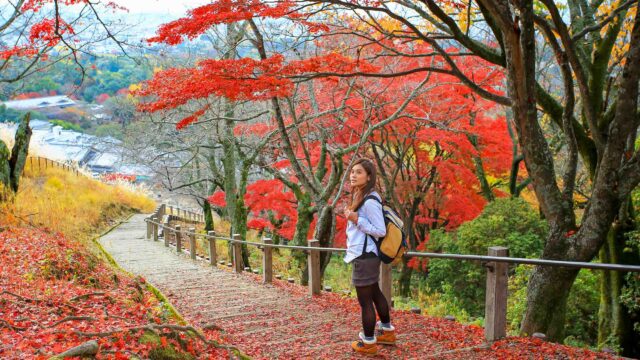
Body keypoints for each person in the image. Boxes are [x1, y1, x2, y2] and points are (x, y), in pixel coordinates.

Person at [343, 158, 396, 355]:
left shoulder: (370, 200)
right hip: (366, 255)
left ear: (369, 176)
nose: (353, 175)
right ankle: (387, 332)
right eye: (352, 171)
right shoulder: (362, 196)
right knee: (375, 294)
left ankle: (368, 343)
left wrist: (356, 219)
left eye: (358, 172)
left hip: (365, 256)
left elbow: (380, 231)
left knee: (365, 302)